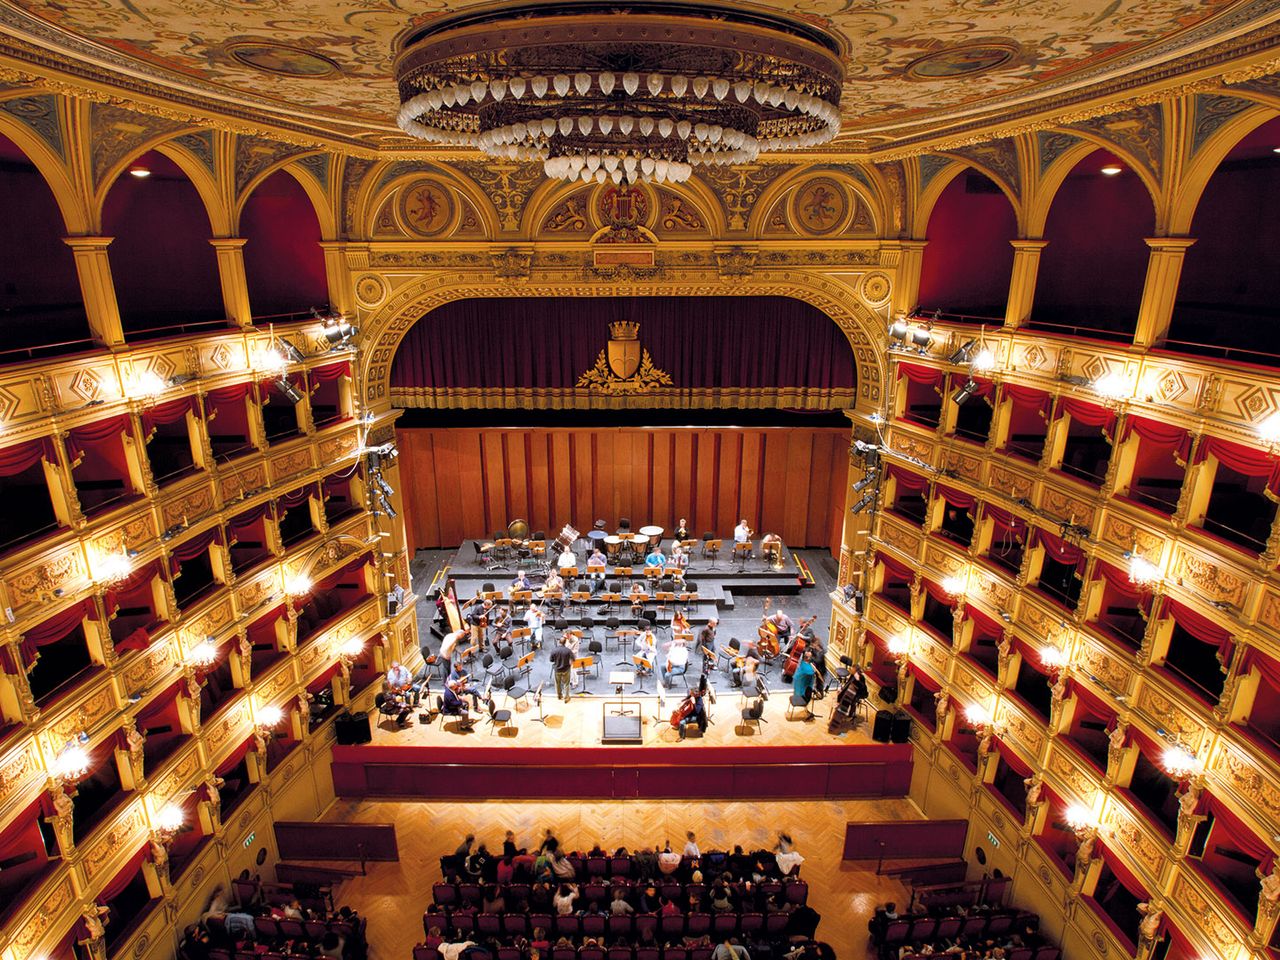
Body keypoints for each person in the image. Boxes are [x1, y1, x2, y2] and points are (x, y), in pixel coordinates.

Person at [550, 635, 574, 701]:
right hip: (566, 669)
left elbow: (551, 660)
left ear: (559, 642)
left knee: (558, 683)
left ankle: (559, 696)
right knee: (566, 684)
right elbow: (573, 659)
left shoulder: (554, 650)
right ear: (565, 642)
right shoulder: (568, 650)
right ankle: (566, 698)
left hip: (557, 669)